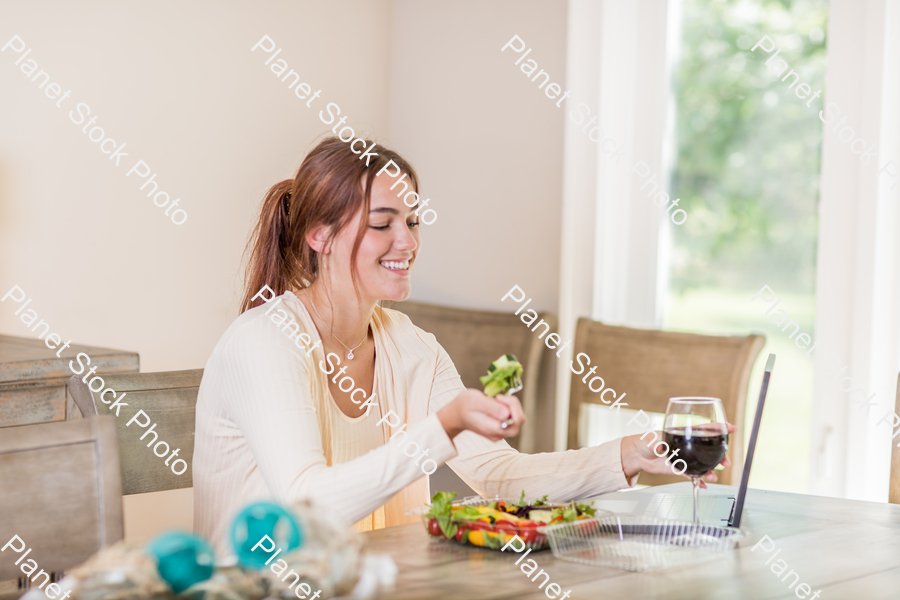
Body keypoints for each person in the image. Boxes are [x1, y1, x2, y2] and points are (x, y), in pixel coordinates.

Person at [192, 136, 731, 556]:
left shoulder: (411, 346)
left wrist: (629, 453)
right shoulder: (266, 342)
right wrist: (443, 426)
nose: (408, 241)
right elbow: (305, 505)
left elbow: (500, 476)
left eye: (413, 221)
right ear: (320, 236)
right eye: (384, 224)